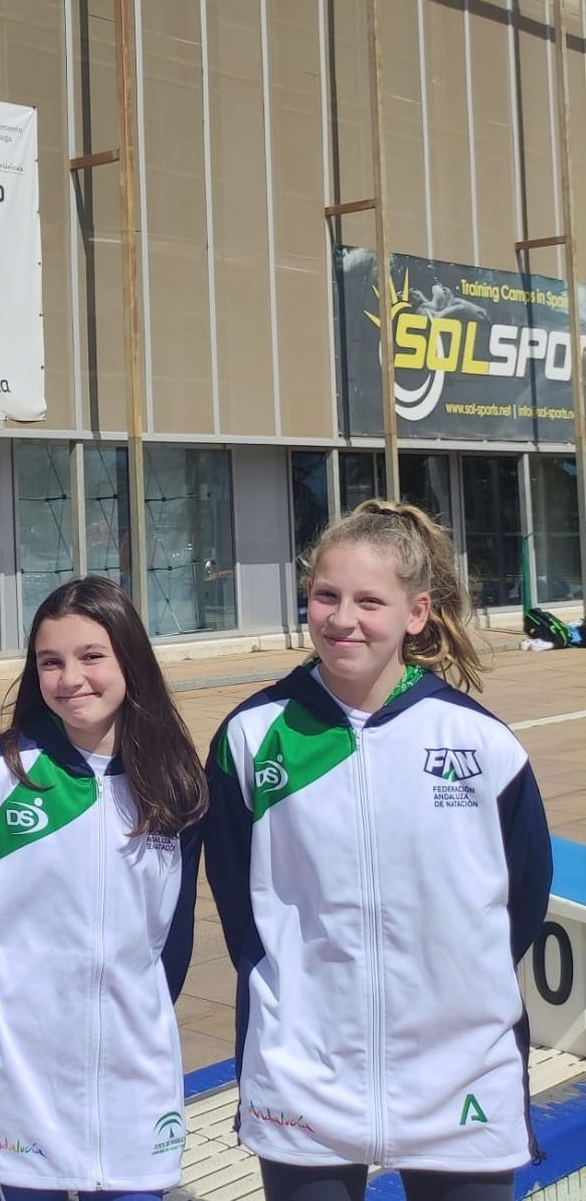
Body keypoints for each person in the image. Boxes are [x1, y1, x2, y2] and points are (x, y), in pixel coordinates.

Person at [204, 499, 553, 1201]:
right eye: (325, 596)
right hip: (305, 1066)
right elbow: (242, 907)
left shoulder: (480, 744)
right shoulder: (252, 736)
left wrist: (450, 984)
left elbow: (523, 899)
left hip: (459, 1068)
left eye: (370, 600)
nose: (342, 619)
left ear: (416, 613)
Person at [0, 576, 205, 1201]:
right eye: (51, 662)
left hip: (134, 1081)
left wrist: (140, 1015)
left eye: (91, 656)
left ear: (130, 659)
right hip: (18, 1081)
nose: (71, 678)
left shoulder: (176, 784)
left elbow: (172, 941)